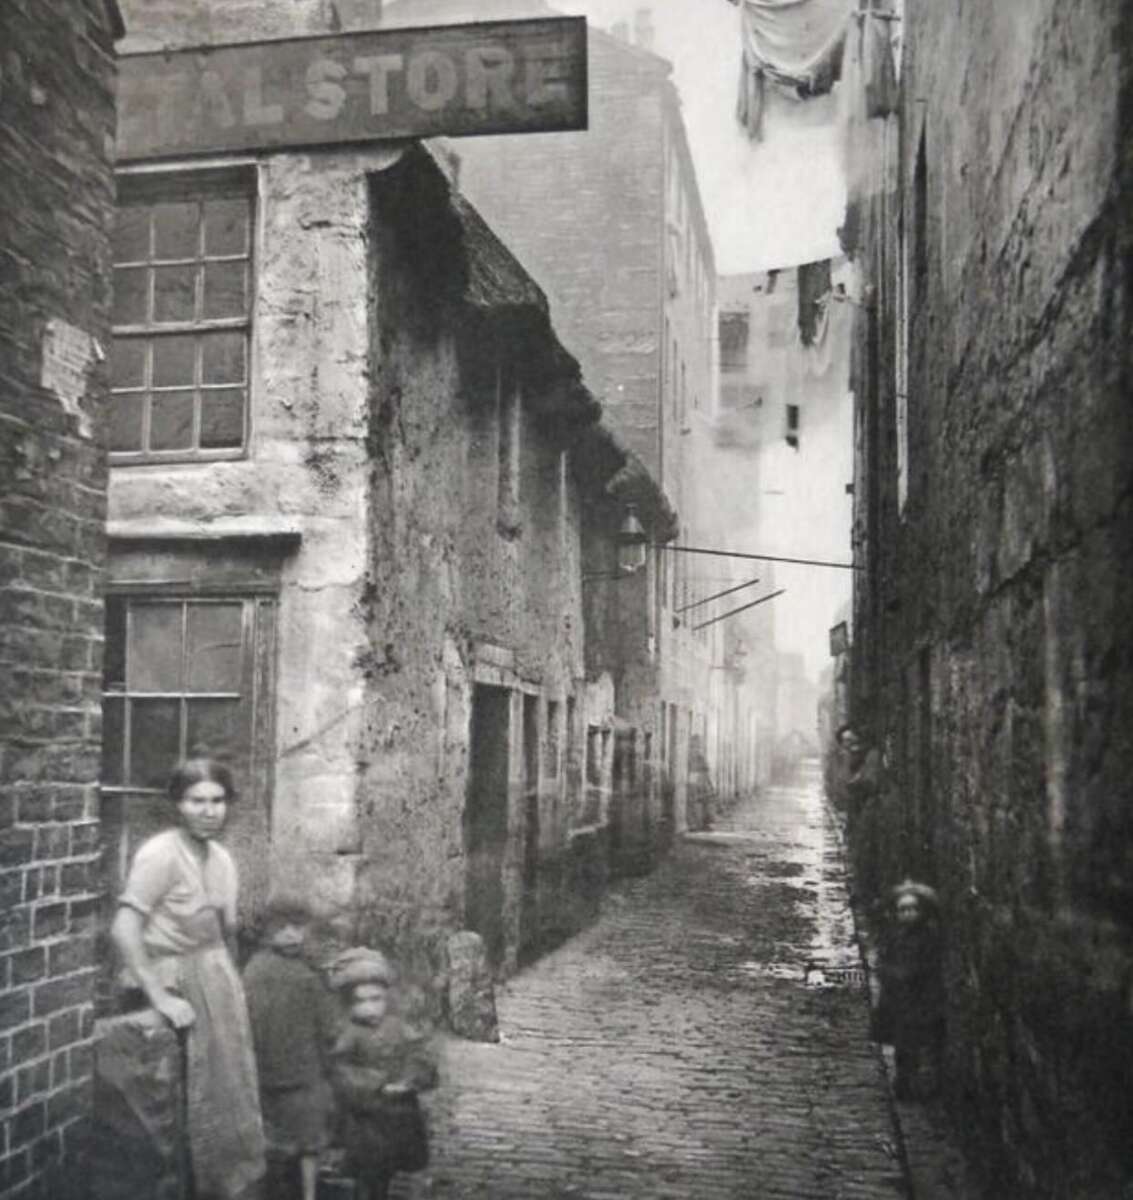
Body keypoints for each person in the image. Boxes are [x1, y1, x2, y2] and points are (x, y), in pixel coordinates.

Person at [111, 757, 266, 1200]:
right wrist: (159, 996)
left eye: (218, 801)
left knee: (227, 1095)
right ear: (178, 804)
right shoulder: (160, 853)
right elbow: (124, 929)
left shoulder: (221, 859)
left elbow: (227, 933)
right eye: (197, 801)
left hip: (215, 979)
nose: (209, 811)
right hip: (171, 977)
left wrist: (233, 987)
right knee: (175, 1104)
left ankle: (222, 1188)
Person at [244, 895, 339, 1200]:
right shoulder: (258, 972)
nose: (291, 935)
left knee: (303, 1140)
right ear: (267, 931)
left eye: (298, 928)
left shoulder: (300, 973)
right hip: (274, 1069)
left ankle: (306, 1193)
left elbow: (326, 1024)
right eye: (282, 928)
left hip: (299, 1070)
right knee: (291, 1140)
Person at [327, 948, 439, 1200]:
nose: (370, 1008)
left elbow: (419, 1053)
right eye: (360, 1001)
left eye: (376, 999)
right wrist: (374, 1084)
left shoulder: (397, 1026)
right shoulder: (350, 1033)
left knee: (394, 1167)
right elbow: (340, 1069)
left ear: (386, 998)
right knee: (369, 1171)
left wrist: (411, 1079)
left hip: (399, 1114)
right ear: (349, 1004)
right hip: (367, 1119)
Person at [875, 879, 946, 1100]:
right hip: (898, 999)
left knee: (919, 1043)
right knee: (901, 1044)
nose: (908, 914)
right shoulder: (893, 937)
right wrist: (886, 972)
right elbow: (883, 961)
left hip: (920, 1000)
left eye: (913, 909)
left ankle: (917, 1083)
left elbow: (927, 968)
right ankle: (903, 1080)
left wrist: (902, 975)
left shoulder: (928, 939)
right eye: (903, 910)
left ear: (922, 912)